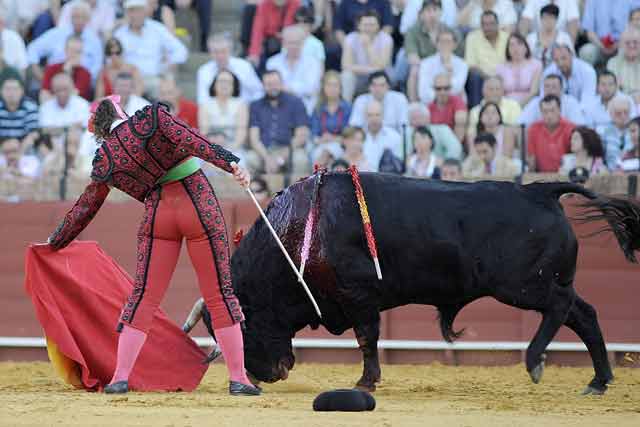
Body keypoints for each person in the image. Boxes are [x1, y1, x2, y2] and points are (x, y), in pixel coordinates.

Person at [46, 95, 260, 396]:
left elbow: (85, 207)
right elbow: (193, 140)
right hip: (197, 203)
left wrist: (54, 242)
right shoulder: (151, 119)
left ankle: (120, 377)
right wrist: (231, 163)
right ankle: (239, 379)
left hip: (158, 215)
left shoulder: (106, 157)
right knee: (219, 294)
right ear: (121, 110)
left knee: (143, 298)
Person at [341, 9, 393, 102]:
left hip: (381, 77)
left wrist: (368, 46)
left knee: (382, 77)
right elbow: (345, 65)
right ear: (358, 26)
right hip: (359, 78)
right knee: (346, 76)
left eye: (372, 25)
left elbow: (382, 66)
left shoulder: (386, 39)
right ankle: (346, 106)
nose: (369, 28)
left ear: (378, 26)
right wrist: (371, 70)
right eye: (365, 25)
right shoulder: (350, 38)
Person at [197, 32, 264, 105]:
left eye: (223, 51)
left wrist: (247, 107)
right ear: (210, 52)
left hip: (244, 109)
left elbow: (259, 92)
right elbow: (202, 99)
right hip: (214, 112)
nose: (220, 56)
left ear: (230, 51)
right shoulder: (203, 71)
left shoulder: (244, 66)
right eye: (215, 52)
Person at [198, 69, 249, 161]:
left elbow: (241, 133)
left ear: (234, 86)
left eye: (228, 82)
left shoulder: (241, 105)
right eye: (221, 81)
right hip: (210, 148)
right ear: (214, 85)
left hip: (234, 148)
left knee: (238, 163)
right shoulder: (205, 105)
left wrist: (229, 150)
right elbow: (204, 133)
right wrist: (215, 149)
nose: (224, 84)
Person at [464, 10, 509, 108]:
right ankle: (476, 111)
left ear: (497, 24)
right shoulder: (472, 37)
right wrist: (487, 77)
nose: (487, 27)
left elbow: (510, 61)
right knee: (473, 77)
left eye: (491, 24)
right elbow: (471, 65)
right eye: (484, 24)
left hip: (503, 76)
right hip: (481, 77)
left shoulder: (507, 37)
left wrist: (498, 77)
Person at [526, 94, 574, 172]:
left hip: (565, 176)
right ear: (540, 112)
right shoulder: (533, 129)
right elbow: (532, 159)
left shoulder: (570, 128)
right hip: (540, 177)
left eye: (552, 110)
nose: (549, 115)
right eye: (545, 111)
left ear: (559, 110)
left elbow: (574, 158)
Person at [495, 33, 543, 106]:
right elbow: (500, 92)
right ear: (508, 49)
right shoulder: (500, 68)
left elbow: (534, 91)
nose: (515, 48)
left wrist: (518, 106)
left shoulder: (536, 65)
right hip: (507, 105)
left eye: (519, 44)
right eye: (512, 45)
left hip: (530, 103)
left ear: (526, 47)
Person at [310, 70, 352, 146]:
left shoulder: (347, 108)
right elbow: (314, 133)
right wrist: (321, 139)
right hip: (321, 143)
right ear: (323, 88)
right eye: (329, 85)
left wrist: (333, 138)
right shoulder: (318, 108)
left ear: (340, 88)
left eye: (335, 85)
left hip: (341, 145)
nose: (332, 89)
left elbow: (349, 133)